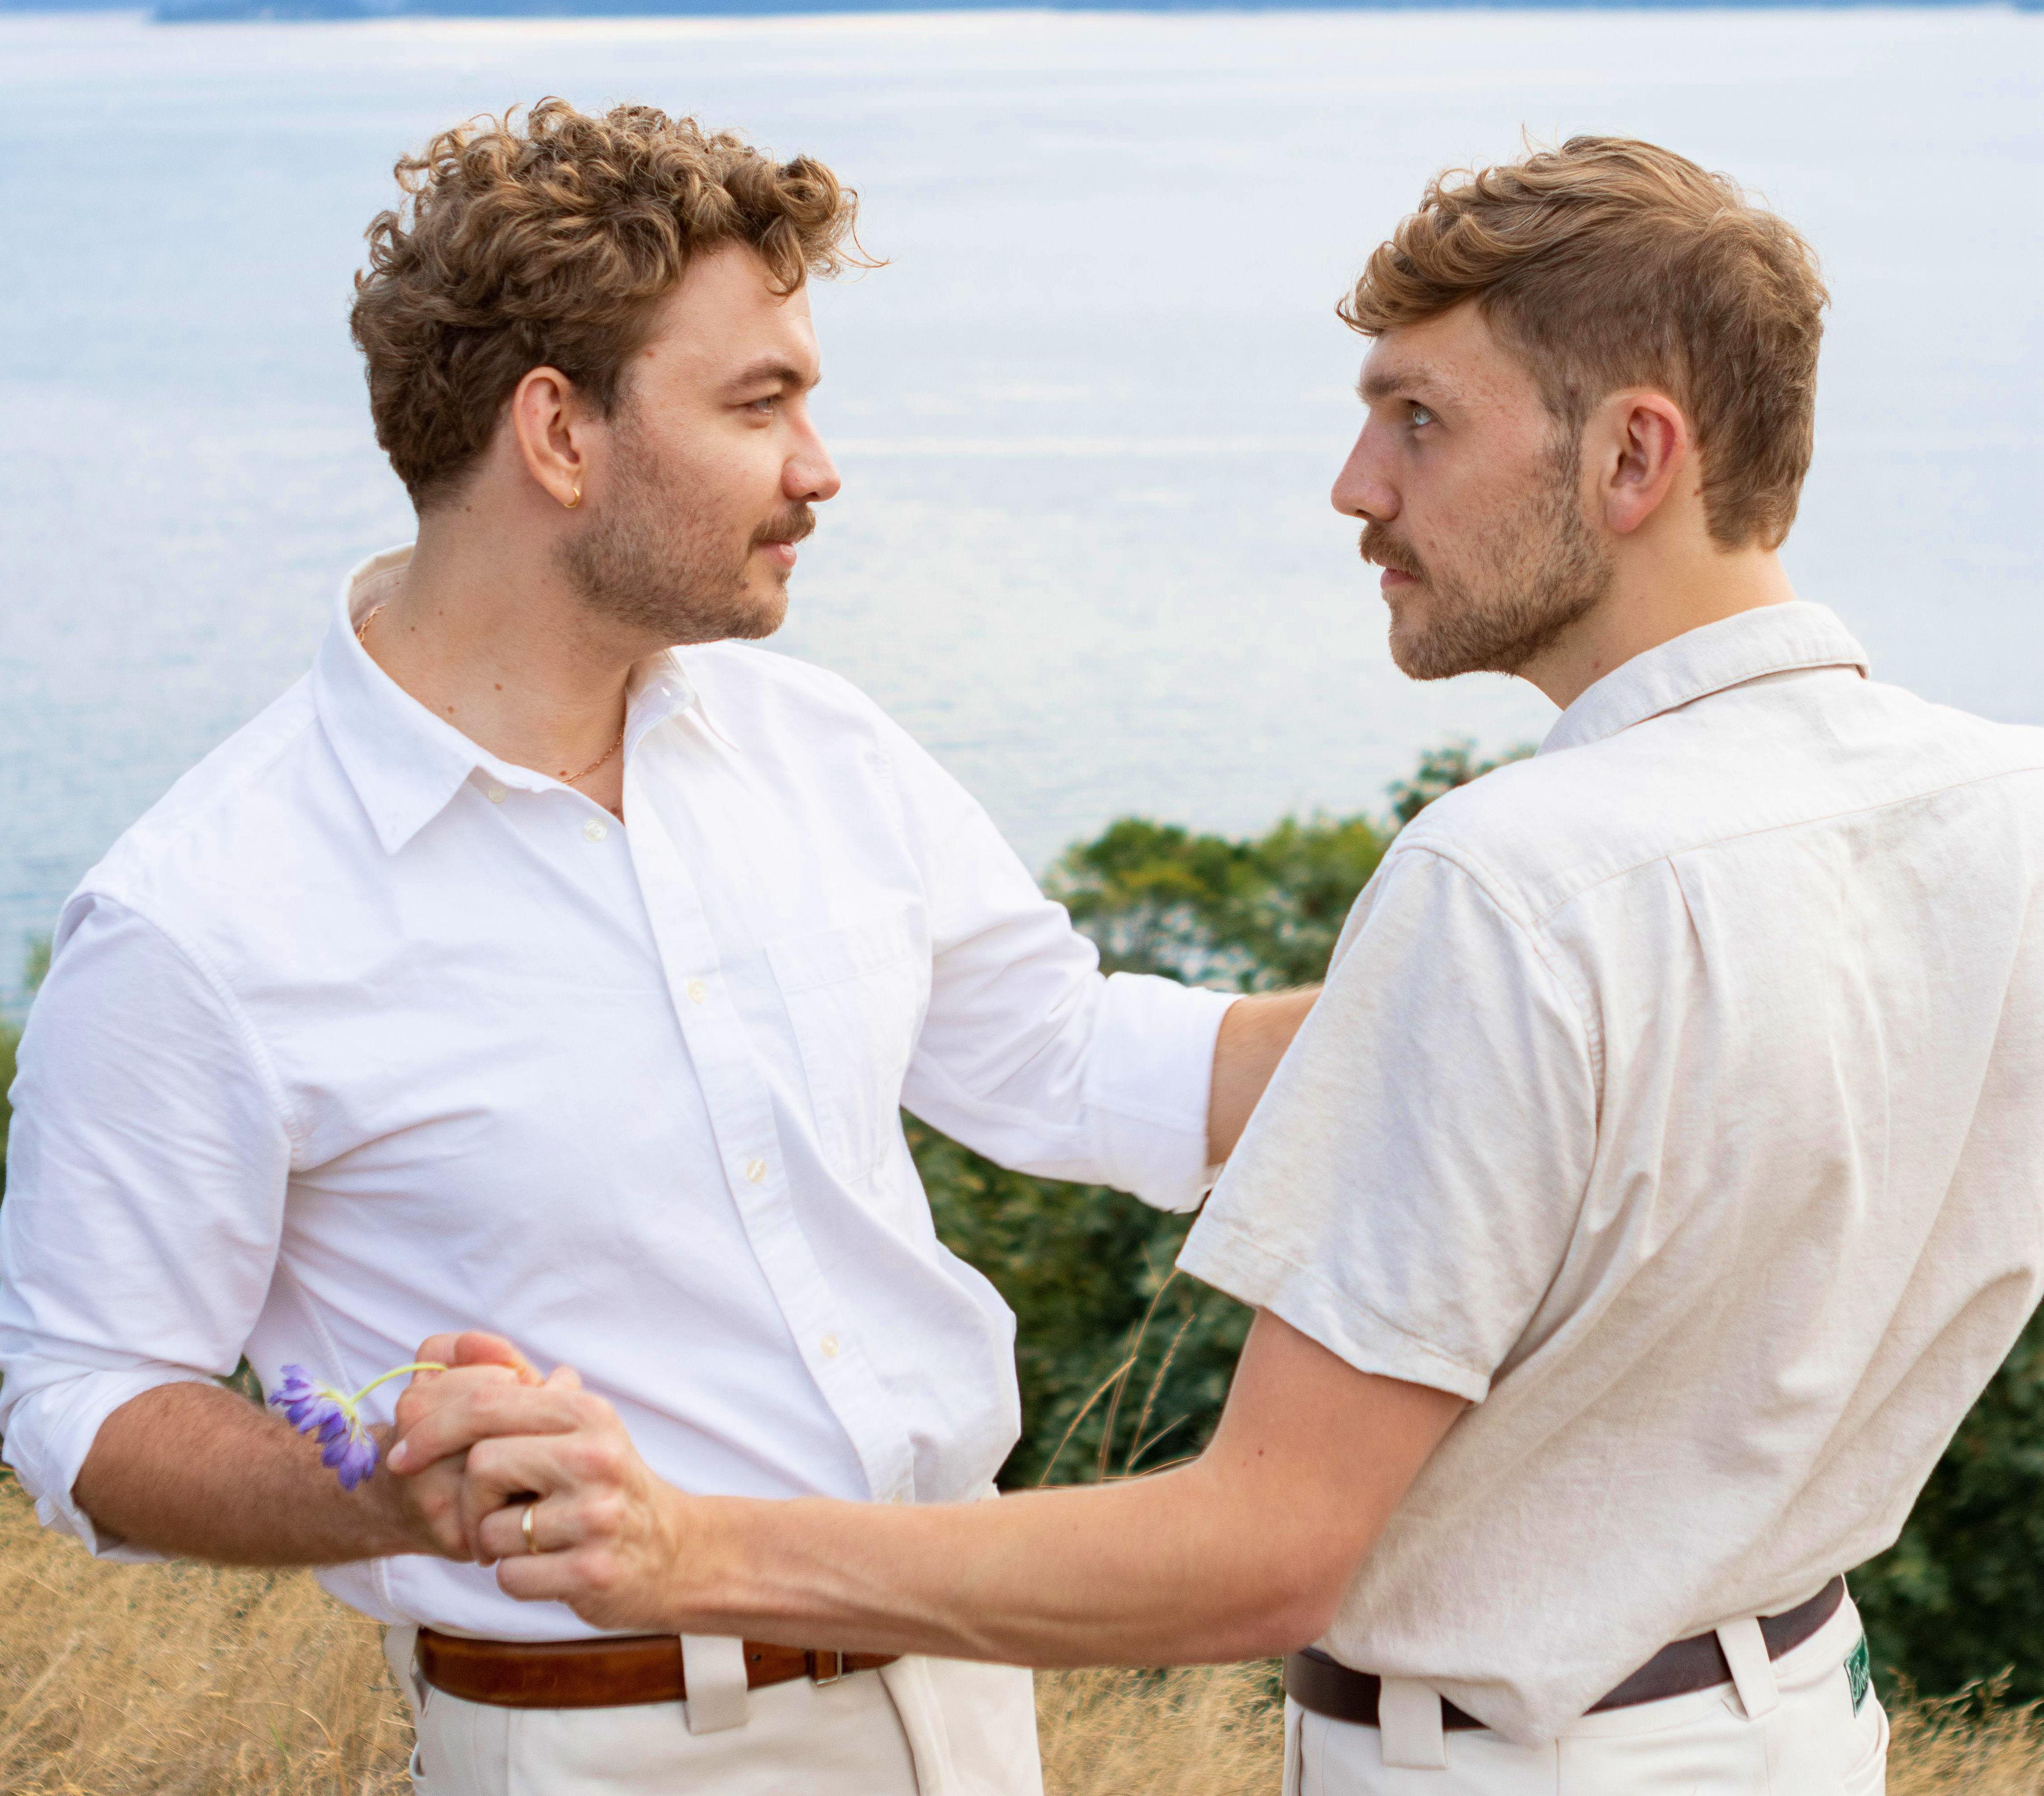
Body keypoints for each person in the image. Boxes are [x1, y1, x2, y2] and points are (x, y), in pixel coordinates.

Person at [401, 136, 2044, 1794]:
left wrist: (682, 1550)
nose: (1358, 486)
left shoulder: (1510, 886)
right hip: (1804, 1728)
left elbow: (1259, 1552)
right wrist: (1445, 1041)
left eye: (1420, 418)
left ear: (1634, 457)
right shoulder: (2001, 812)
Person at [0, 99, 1316, 1796]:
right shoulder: (200, 915)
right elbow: (90, 1395)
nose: (819, 467)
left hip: (968, 1693)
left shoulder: (819, 746)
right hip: (611, 1750)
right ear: (558, 432)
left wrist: (1486, 971)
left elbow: (1074, 1062)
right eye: (761, 403)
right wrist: (372, 1485)